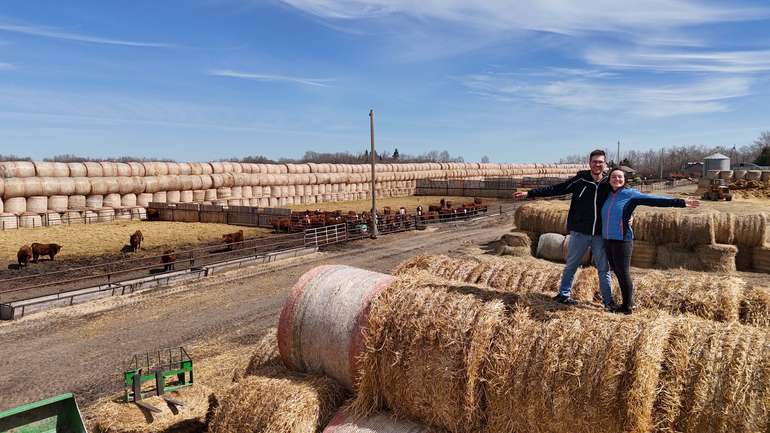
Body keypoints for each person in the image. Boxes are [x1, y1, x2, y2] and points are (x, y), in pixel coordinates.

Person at [514, 149, 614, 308]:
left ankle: (608, 302)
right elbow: (556, 189)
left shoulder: (610, 183)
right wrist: (530, 193)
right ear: (589, 163)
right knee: (571, 265)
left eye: (600, 162)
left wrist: (629, 215)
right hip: (579, 233)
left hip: (600, 234)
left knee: (604, 269)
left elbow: (626, 198)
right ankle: (564, 295)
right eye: (595, 161)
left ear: (605, 164)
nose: (597, 164)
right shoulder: (580, 180)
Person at [601, 167, 700, 314]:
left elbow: (655, 200)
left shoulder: (630, 194)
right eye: (614, 177)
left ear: (625, 179)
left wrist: (680, 202)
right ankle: (625, 304)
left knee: (623, 272)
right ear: (609, 180)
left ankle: (627, 307)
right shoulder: (608, 195)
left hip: (623, 240)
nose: (617, 179)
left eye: (620, 177)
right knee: (617, 271)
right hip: (608, 239)